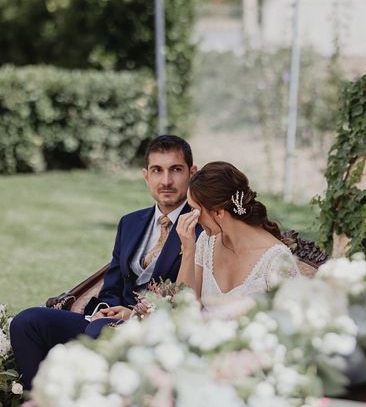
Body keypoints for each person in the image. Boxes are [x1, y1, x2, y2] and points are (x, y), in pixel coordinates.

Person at [10, 135, 199, 390]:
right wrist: (106, 308)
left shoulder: (200, 228)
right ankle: (38, 400)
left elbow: (192, 295)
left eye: (175, 170)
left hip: (156, 332)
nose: (166, 181)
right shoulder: (130, 223)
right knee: (27, 322)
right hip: (107, 321)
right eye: (157, 170)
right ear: (146, 176)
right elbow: (111, 286)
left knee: (100, 332)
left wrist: (133, 315)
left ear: (191, 173)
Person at [176, 161, 299, 302]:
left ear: (218, 213)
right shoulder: (206, 241)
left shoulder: (276, 261)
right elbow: (183, 306)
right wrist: (188, 251)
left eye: (195, 210)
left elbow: (291, 321)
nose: (192, 217)